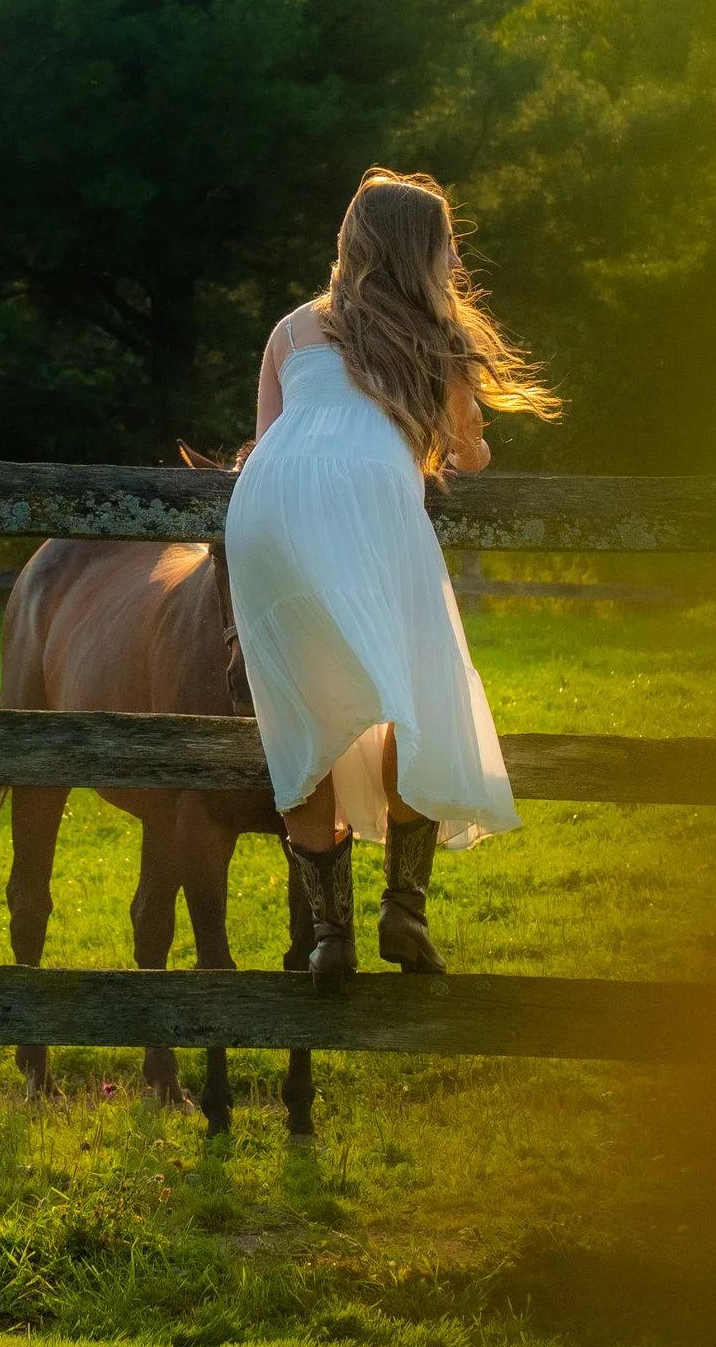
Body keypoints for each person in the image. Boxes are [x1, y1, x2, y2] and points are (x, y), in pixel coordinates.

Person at [225, 168, 559, 987]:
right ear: (422, 253)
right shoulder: (430, 333)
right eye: (448, 246)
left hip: (267, 506)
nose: (454, 261)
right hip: (368, 500)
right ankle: (403, 911)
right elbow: (468, 454)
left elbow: (264, 440)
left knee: (305, 717)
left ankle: (328, 936)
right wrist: (463, 441)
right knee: (413, 702)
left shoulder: (293, 329)